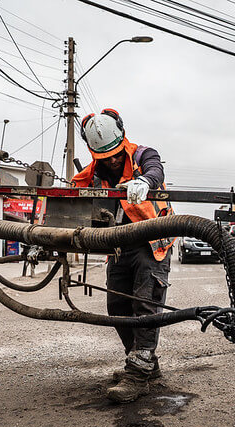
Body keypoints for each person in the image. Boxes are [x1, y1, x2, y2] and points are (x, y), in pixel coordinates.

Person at [72, 108, 174, 403]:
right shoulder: (94, 173)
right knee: (116, 306)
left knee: (145, 305)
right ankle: (142, 361)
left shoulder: (143, 155)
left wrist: (145, 182)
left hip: (151, 240)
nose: (114, 161)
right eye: (107, 158)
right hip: (118, 244)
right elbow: (74, 192)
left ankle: (138, 373)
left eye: (116, 154)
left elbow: (156, 170)